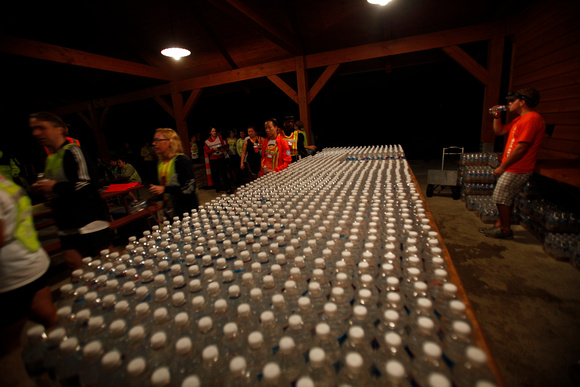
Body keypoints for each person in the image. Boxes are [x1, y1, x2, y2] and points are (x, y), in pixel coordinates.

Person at [30, 112, 112, 271]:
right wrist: (44, 192)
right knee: (75, 266)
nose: (36, 133)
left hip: (90, 222)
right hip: (66, 225)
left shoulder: (74, 151)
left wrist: (54, 187)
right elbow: (55, 188)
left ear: (59, 129)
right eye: (34, 129)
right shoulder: (50, 159)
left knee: (109, 262)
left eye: (42, 128)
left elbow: (88, 184)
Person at [0, 174, 57, 372]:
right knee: (49, 320)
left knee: (10, 346)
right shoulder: (5, 183)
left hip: (16, 271)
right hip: (21, 269)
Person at [482, 88, 546, 239]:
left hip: (519, 168)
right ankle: (499, 225)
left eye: (512, 101)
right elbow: (500, 131)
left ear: (522, 102)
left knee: (499, 196)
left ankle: (506, 230)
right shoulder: (519, 119)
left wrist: (502, 167)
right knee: (505, 197)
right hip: (510, 166)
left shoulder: (532, 119)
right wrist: (497, 116)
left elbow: (521, 148)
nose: (509, 103)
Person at [149, 128, 199, 220]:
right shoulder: (161, 162)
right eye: (154, 140)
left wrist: (164, 189)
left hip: (186, 211)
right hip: (171, 210)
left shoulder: (181, 160)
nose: (154, 143)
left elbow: (189, 188)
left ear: (169, 142)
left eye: (157, 140)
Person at [204, 127, 233, 194]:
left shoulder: (219, 138)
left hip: (221, 157)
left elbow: (223, 145)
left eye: (215, 131)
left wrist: (223, 148)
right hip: (213, 159)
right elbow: (207, 151)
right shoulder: (207, 142)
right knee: (216, 174)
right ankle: (219, 188)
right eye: (213, 131)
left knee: (224, 173)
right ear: (210, 133)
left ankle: (228, 188)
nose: (214, 132)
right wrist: (213, 149)